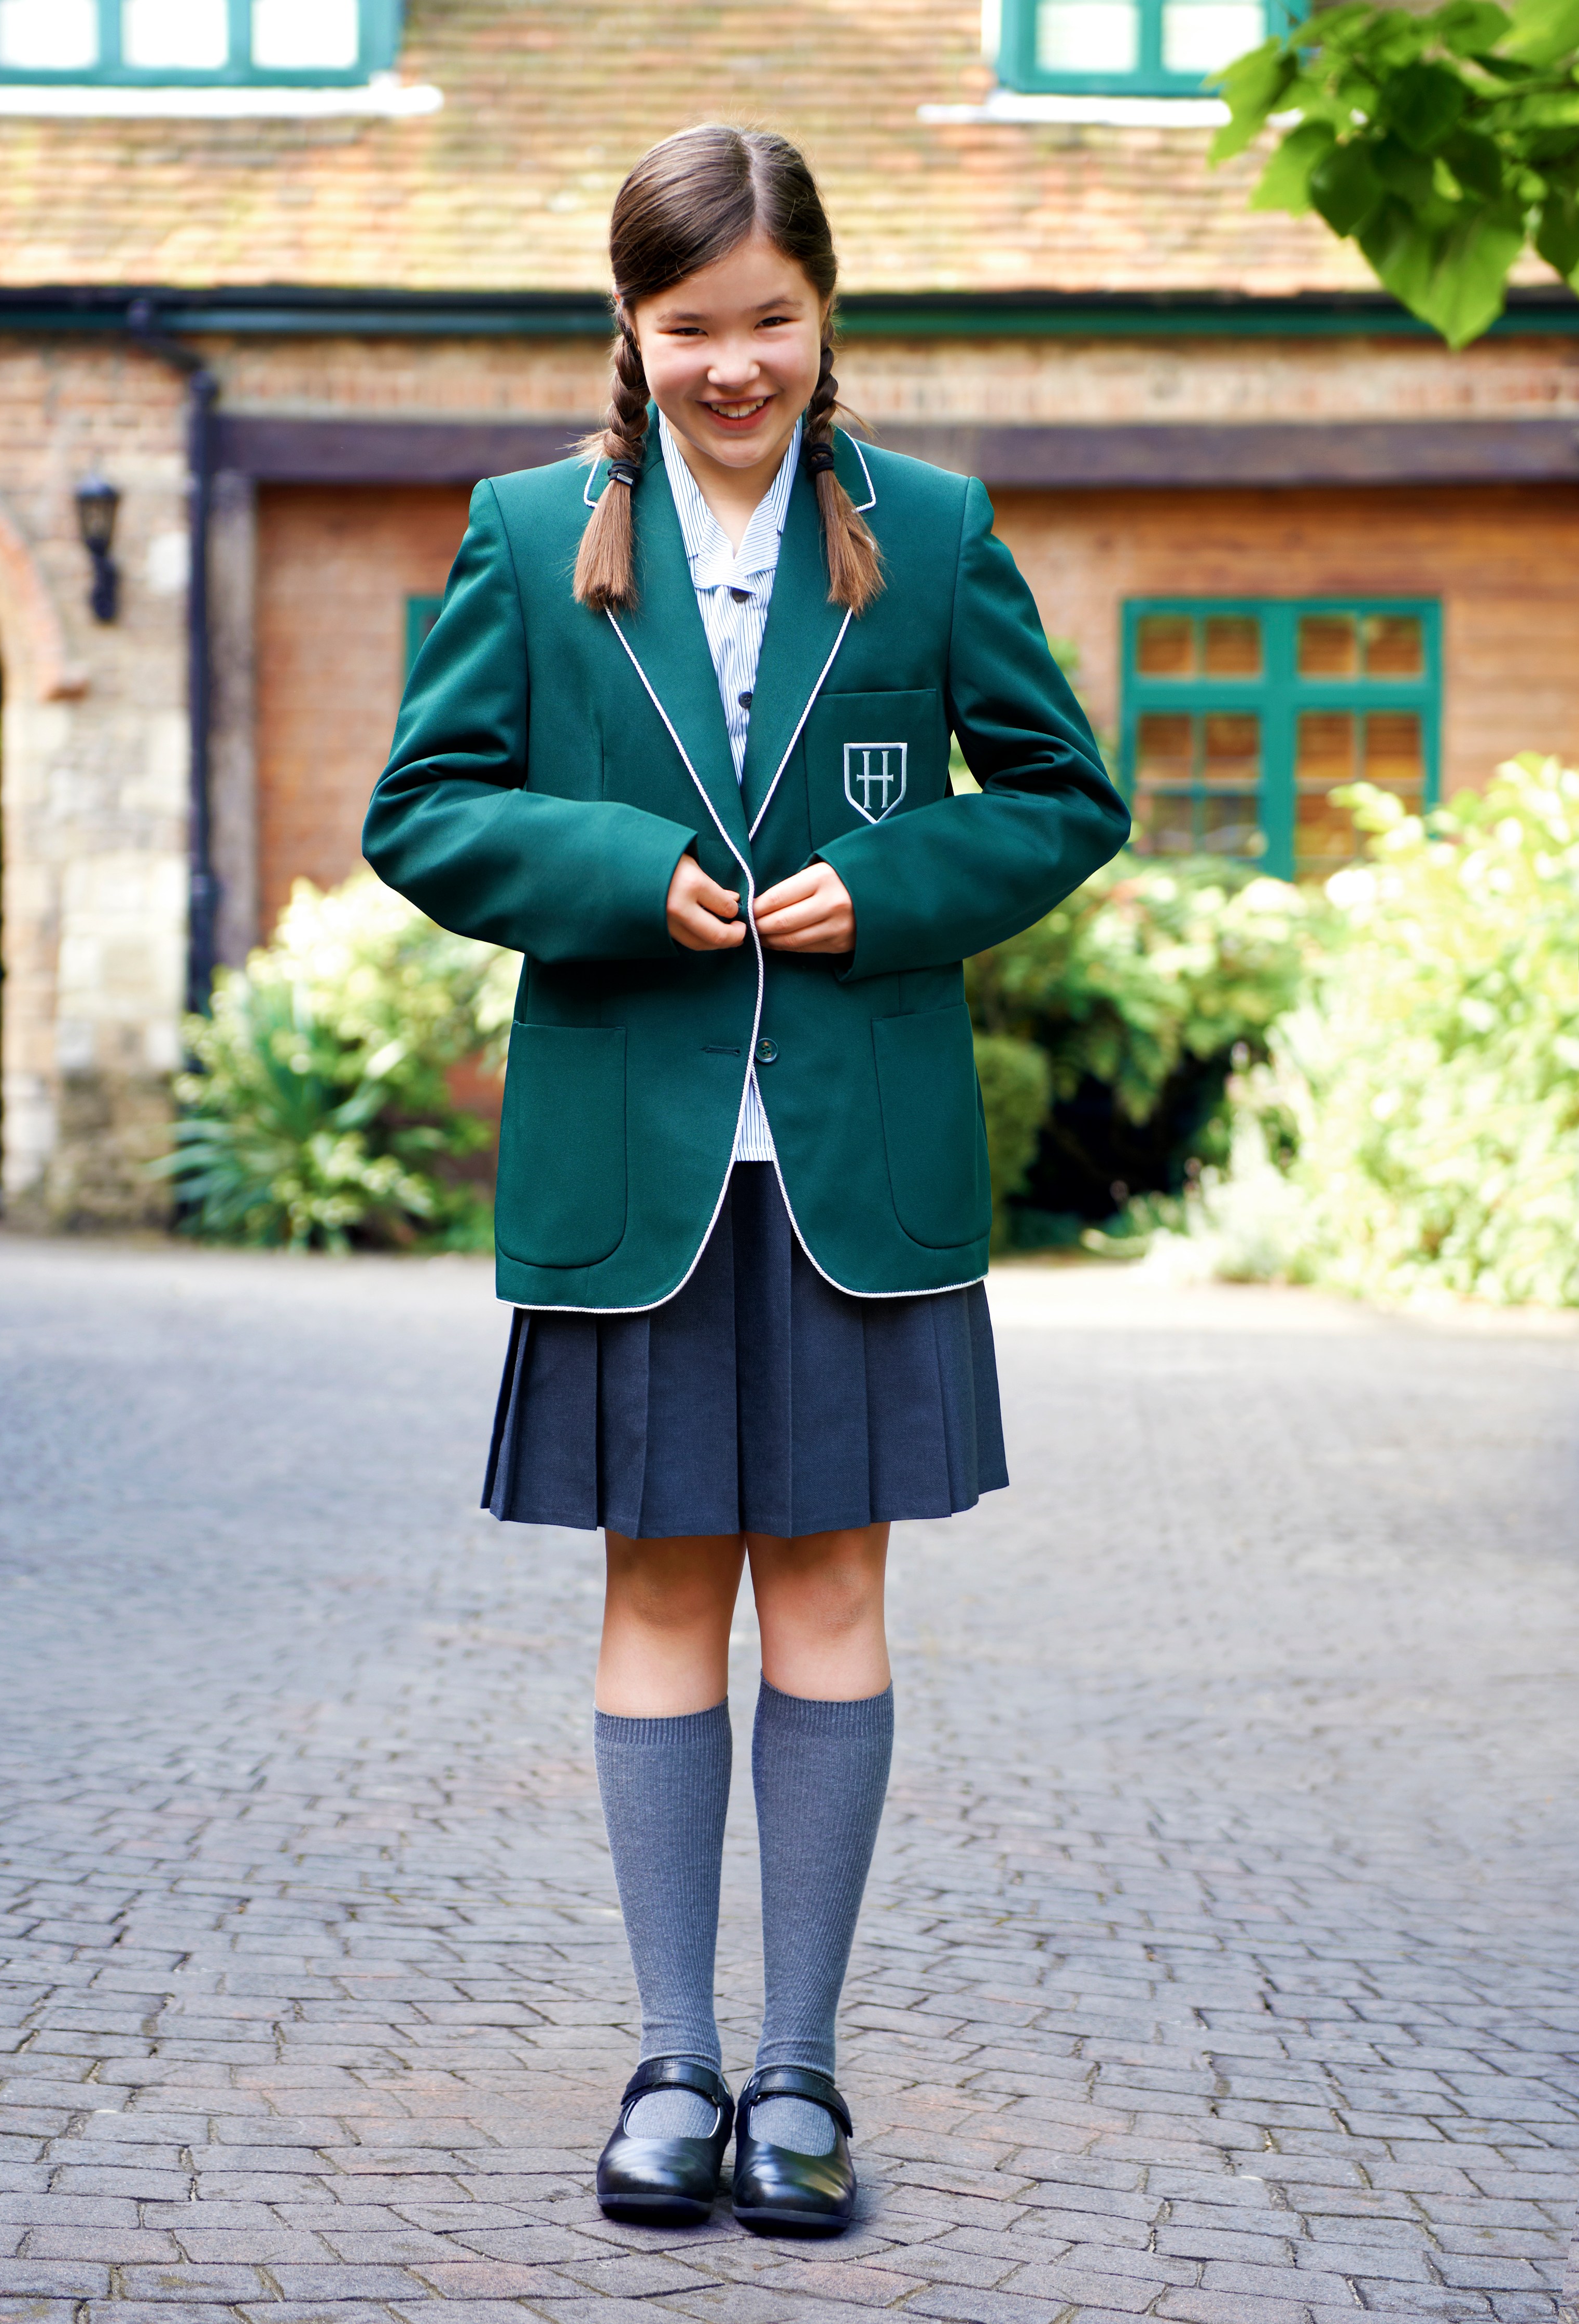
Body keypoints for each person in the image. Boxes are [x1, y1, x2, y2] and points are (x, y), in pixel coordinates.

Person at [363, 123, 1129, 2238]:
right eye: (691, 328)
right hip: (635, 1159)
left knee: (838, 1591)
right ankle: (671, 2063)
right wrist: (632, 880)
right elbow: (422, 809)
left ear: (825, 312)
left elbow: (1068, 795)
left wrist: (879, 888)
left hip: (856, 1162)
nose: (734, 366)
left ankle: (801, 2073)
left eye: (770, 323)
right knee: (656, 1591)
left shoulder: (935, 531)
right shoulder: (529, 540)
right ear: (630, 323)